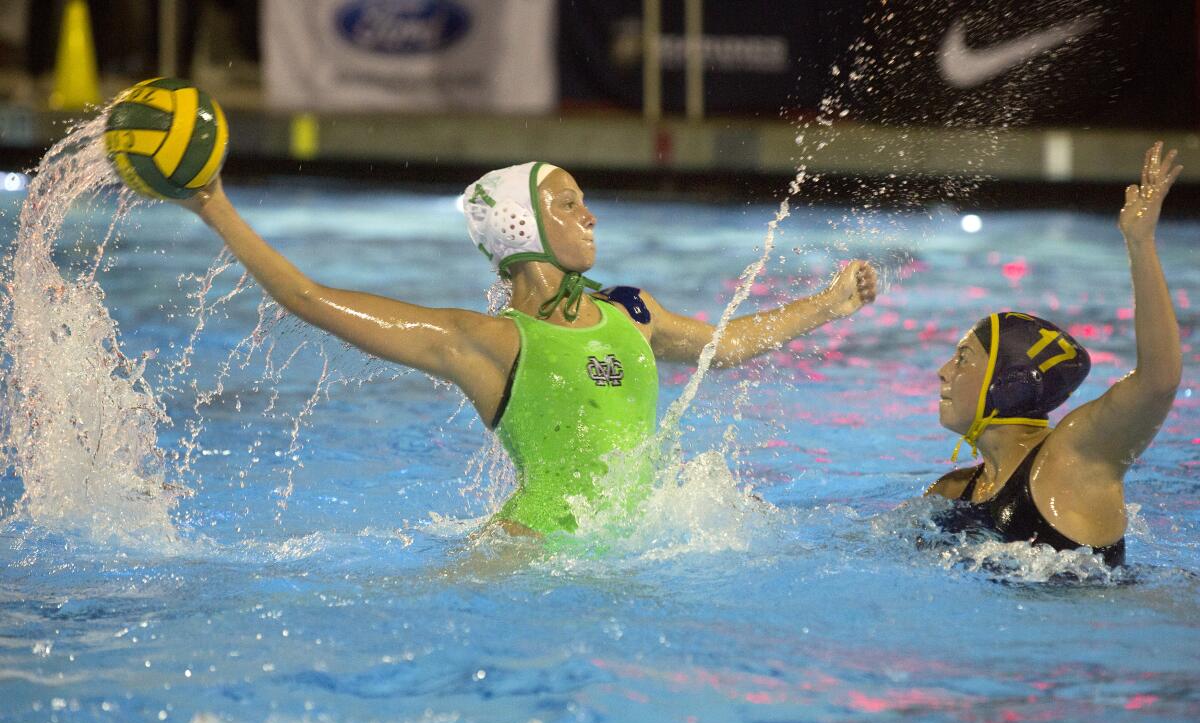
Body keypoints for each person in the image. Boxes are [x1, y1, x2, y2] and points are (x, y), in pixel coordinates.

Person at [179, 162, 878, 540]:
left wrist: (829, 304)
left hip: (631, 547)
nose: (591, 216)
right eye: (570, 205)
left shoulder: (630, 312)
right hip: (532, 552)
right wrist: (214, 205)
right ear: (522, 225)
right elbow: (308, 298)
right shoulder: (488, 343)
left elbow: (722, 347)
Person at [927, 143, 1183, 567]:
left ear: (1008, 382)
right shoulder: (953, 491)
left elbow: (1158, 382)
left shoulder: (1072, 460)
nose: (942, 372)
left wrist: (1141, 244)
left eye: (964, 358)